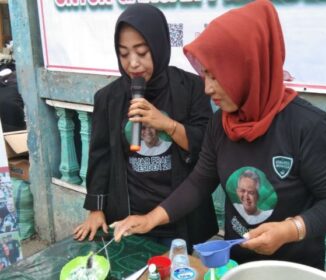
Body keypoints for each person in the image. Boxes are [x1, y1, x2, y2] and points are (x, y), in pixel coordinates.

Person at [111, 0, 326, 269]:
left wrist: (291, 229)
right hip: (236, 262)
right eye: (204, 74)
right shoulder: (221, 123)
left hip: (292, 267)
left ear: (247, 69)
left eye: (216, 76)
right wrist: (151, 218)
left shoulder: (308, 126)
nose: (207, 88)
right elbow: (199, 182)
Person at [73, 3, 218, 248]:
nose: (133, 63)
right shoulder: (108, 98)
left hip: (180, 216)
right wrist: (96, 209)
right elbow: (101, 156)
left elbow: (206, 147)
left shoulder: (192, 88)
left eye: (141, 52)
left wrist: (166, 124)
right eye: (124, 53)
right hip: (129, 218)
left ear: (159, 46)